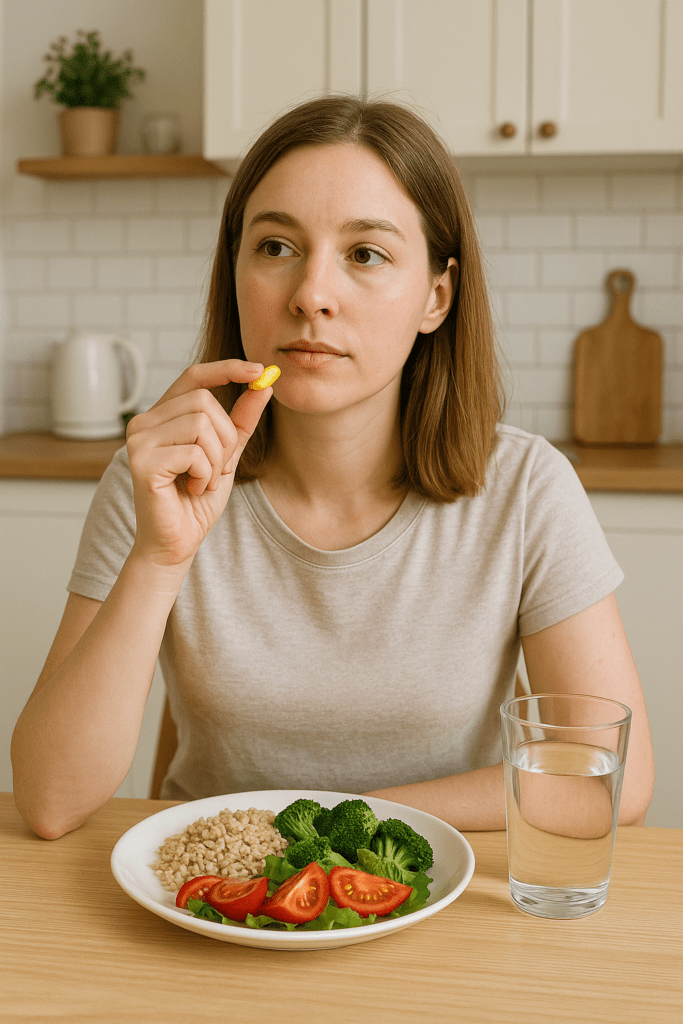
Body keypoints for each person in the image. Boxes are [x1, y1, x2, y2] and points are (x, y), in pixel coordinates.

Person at [12, 96, 654, 840]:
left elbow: (611, 782)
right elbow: (51, 801)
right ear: (236, 270)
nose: (311, 295)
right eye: (276, 247)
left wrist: (322, 826)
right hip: (213, 905)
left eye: (365, 254)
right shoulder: (159, 479)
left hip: (435, 902)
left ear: (435, 298)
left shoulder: (525, 488)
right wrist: (161, 557)